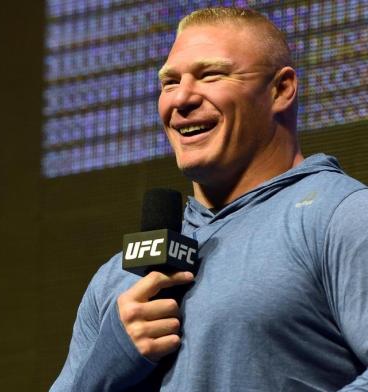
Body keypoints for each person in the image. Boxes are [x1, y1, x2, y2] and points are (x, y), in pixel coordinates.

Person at [50, 7, 368, 391]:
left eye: (210, 75)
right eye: (169, 82)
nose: (181, 98)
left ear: (280, 89)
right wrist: (106, 363)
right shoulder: (116, 279)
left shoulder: (341, 217)